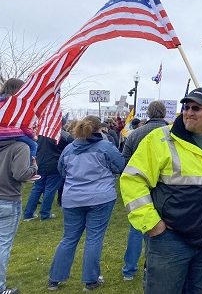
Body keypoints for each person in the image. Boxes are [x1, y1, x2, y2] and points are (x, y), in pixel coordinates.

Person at [120, 87, 202, 294]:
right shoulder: (160, 139)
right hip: (170, 240)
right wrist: (152, 224)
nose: (188, 112)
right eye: (186, 107)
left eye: (196, 108)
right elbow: (132, 179)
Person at [48, 116, 125, 291]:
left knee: (69, 238)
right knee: (94, 238)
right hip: (100, 197)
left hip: (73, 198)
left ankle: (54, 279)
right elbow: (121, 165)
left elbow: (62, 170)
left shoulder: (69, 149)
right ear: (99, 129)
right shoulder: (105, 146)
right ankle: (91, 280)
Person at [120, 101, 168, 281]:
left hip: (141, 186)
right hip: (165, 188)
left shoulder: (135, 134)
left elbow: (124, 160)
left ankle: (130, 270)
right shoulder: (172, 133)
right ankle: (152, 267)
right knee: (161, 230)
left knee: (137, 227)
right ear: (164, 113)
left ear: (148, 113)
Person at [0, 119, 38, 294]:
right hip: (8, 199)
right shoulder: (21, 147)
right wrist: (33, 167)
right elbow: (20, 174)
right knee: (3, 245)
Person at [23, 120, 73, 221]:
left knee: (37, 188)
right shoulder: (64, 135)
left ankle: (28, 214)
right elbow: (73, 146)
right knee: (50, 189)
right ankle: (45, 214)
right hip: (55, 164)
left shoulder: (41, 133)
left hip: (40, 163)